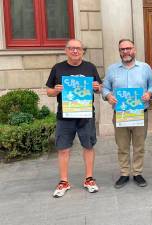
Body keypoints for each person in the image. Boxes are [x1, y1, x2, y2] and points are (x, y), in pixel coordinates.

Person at [46, 39, 102, 198]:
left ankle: (89, 179)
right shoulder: (58, 68)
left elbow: (99, 87)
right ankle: (64, 181)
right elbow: (49, 91)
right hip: (65, 115)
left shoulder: (90, 67)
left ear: (83, 51)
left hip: (86, 115)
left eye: (78, 48)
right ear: (66, 50)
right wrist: (56, 90)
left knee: (89, 146)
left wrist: (97, 87)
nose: (75, 51)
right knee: (63, 148)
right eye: (71, 48)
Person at [102, 39, 152, 189]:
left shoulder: (145, 68)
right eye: (122, 49)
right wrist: (108, 96)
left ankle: (137, 173)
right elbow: (104, 88)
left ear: (134, 50)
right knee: (122, 146)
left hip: (140, 113)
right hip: (120, 114)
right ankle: (124, 173)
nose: (125, 52)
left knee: (139, 145)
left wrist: (149, 94)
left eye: (128, 48)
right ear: (119, 51)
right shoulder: (112, 69)